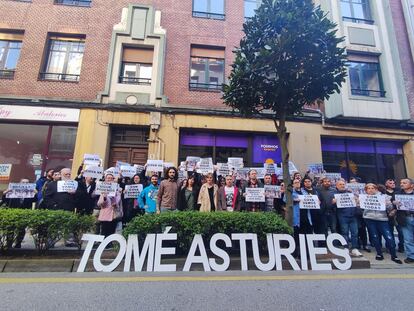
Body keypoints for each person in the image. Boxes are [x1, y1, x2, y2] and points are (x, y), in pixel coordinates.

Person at [362, 183, 402, 264]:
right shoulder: (363, 197)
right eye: (368, 188)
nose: (370, 190)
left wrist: (388, 204)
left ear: (376, 189)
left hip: (382, 219)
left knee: (389, 237)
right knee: (375, 237)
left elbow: (390, 208)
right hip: (370, 219)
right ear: (366, 190)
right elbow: (361, 208)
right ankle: (379, 253)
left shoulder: (384, 197)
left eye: (372, 188)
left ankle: (394, 255)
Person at [2, 178, 36, 248]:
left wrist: (35, 193)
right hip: (13, 212)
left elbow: (35, 200)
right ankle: (9, 243)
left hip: (24, 212)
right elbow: (5, 200)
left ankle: (18, 243)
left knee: (21, 229)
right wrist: (6, 192)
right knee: (11, 229)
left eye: (27, 183)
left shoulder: (30, 192)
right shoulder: (12, 191)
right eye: (23, 182)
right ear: (19, 183)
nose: (25, 184)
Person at [333, 179, 362, 257]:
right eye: (340, 184)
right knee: (344, 233)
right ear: (336, 186)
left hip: (353, 216)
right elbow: (331, 206)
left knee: (355, 233)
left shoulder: (350, 193)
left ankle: (354, 248)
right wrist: (333, 202)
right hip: (342, 216)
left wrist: (357, 200)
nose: (342, 186)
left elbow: (357, 203)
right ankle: (345, 247)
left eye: (343, 184)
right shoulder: (334, 194)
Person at [394, 178, 414, 264]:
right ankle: (411, 256)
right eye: (401, 183)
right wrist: (394, 203)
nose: (402, 184)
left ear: (412, 185)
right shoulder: (397, 194)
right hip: (405, 218)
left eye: (404, 183)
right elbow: (392, 204)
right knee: (408, 238)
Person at [97, 173, 122, 238]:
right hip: (105, 214)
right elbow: (99, 204)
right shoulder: (103, 189)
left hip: (114, 214)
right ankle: (103, 245)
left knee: (111, 232)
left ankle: (109, 245)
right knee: (104, 231)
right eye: (108, 178)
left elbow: (118, 202)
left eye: (111, 178)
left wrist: (115, 202)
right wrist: (104, 197)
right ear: (105, 179)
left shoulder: (117, 191)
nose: (110, 179)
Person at [385, 179, 404, 253]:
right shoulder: (383, 192)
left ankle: (401, 246)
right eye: (390, 183)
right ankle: (390, 246)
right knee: (389, 232)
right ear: (386, 184)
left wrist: (395, 210)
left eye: (393, 183)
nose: (392, 184)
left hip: (398, 215)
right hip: (387, 215)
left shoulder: (399, 192)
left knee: (401, 232)